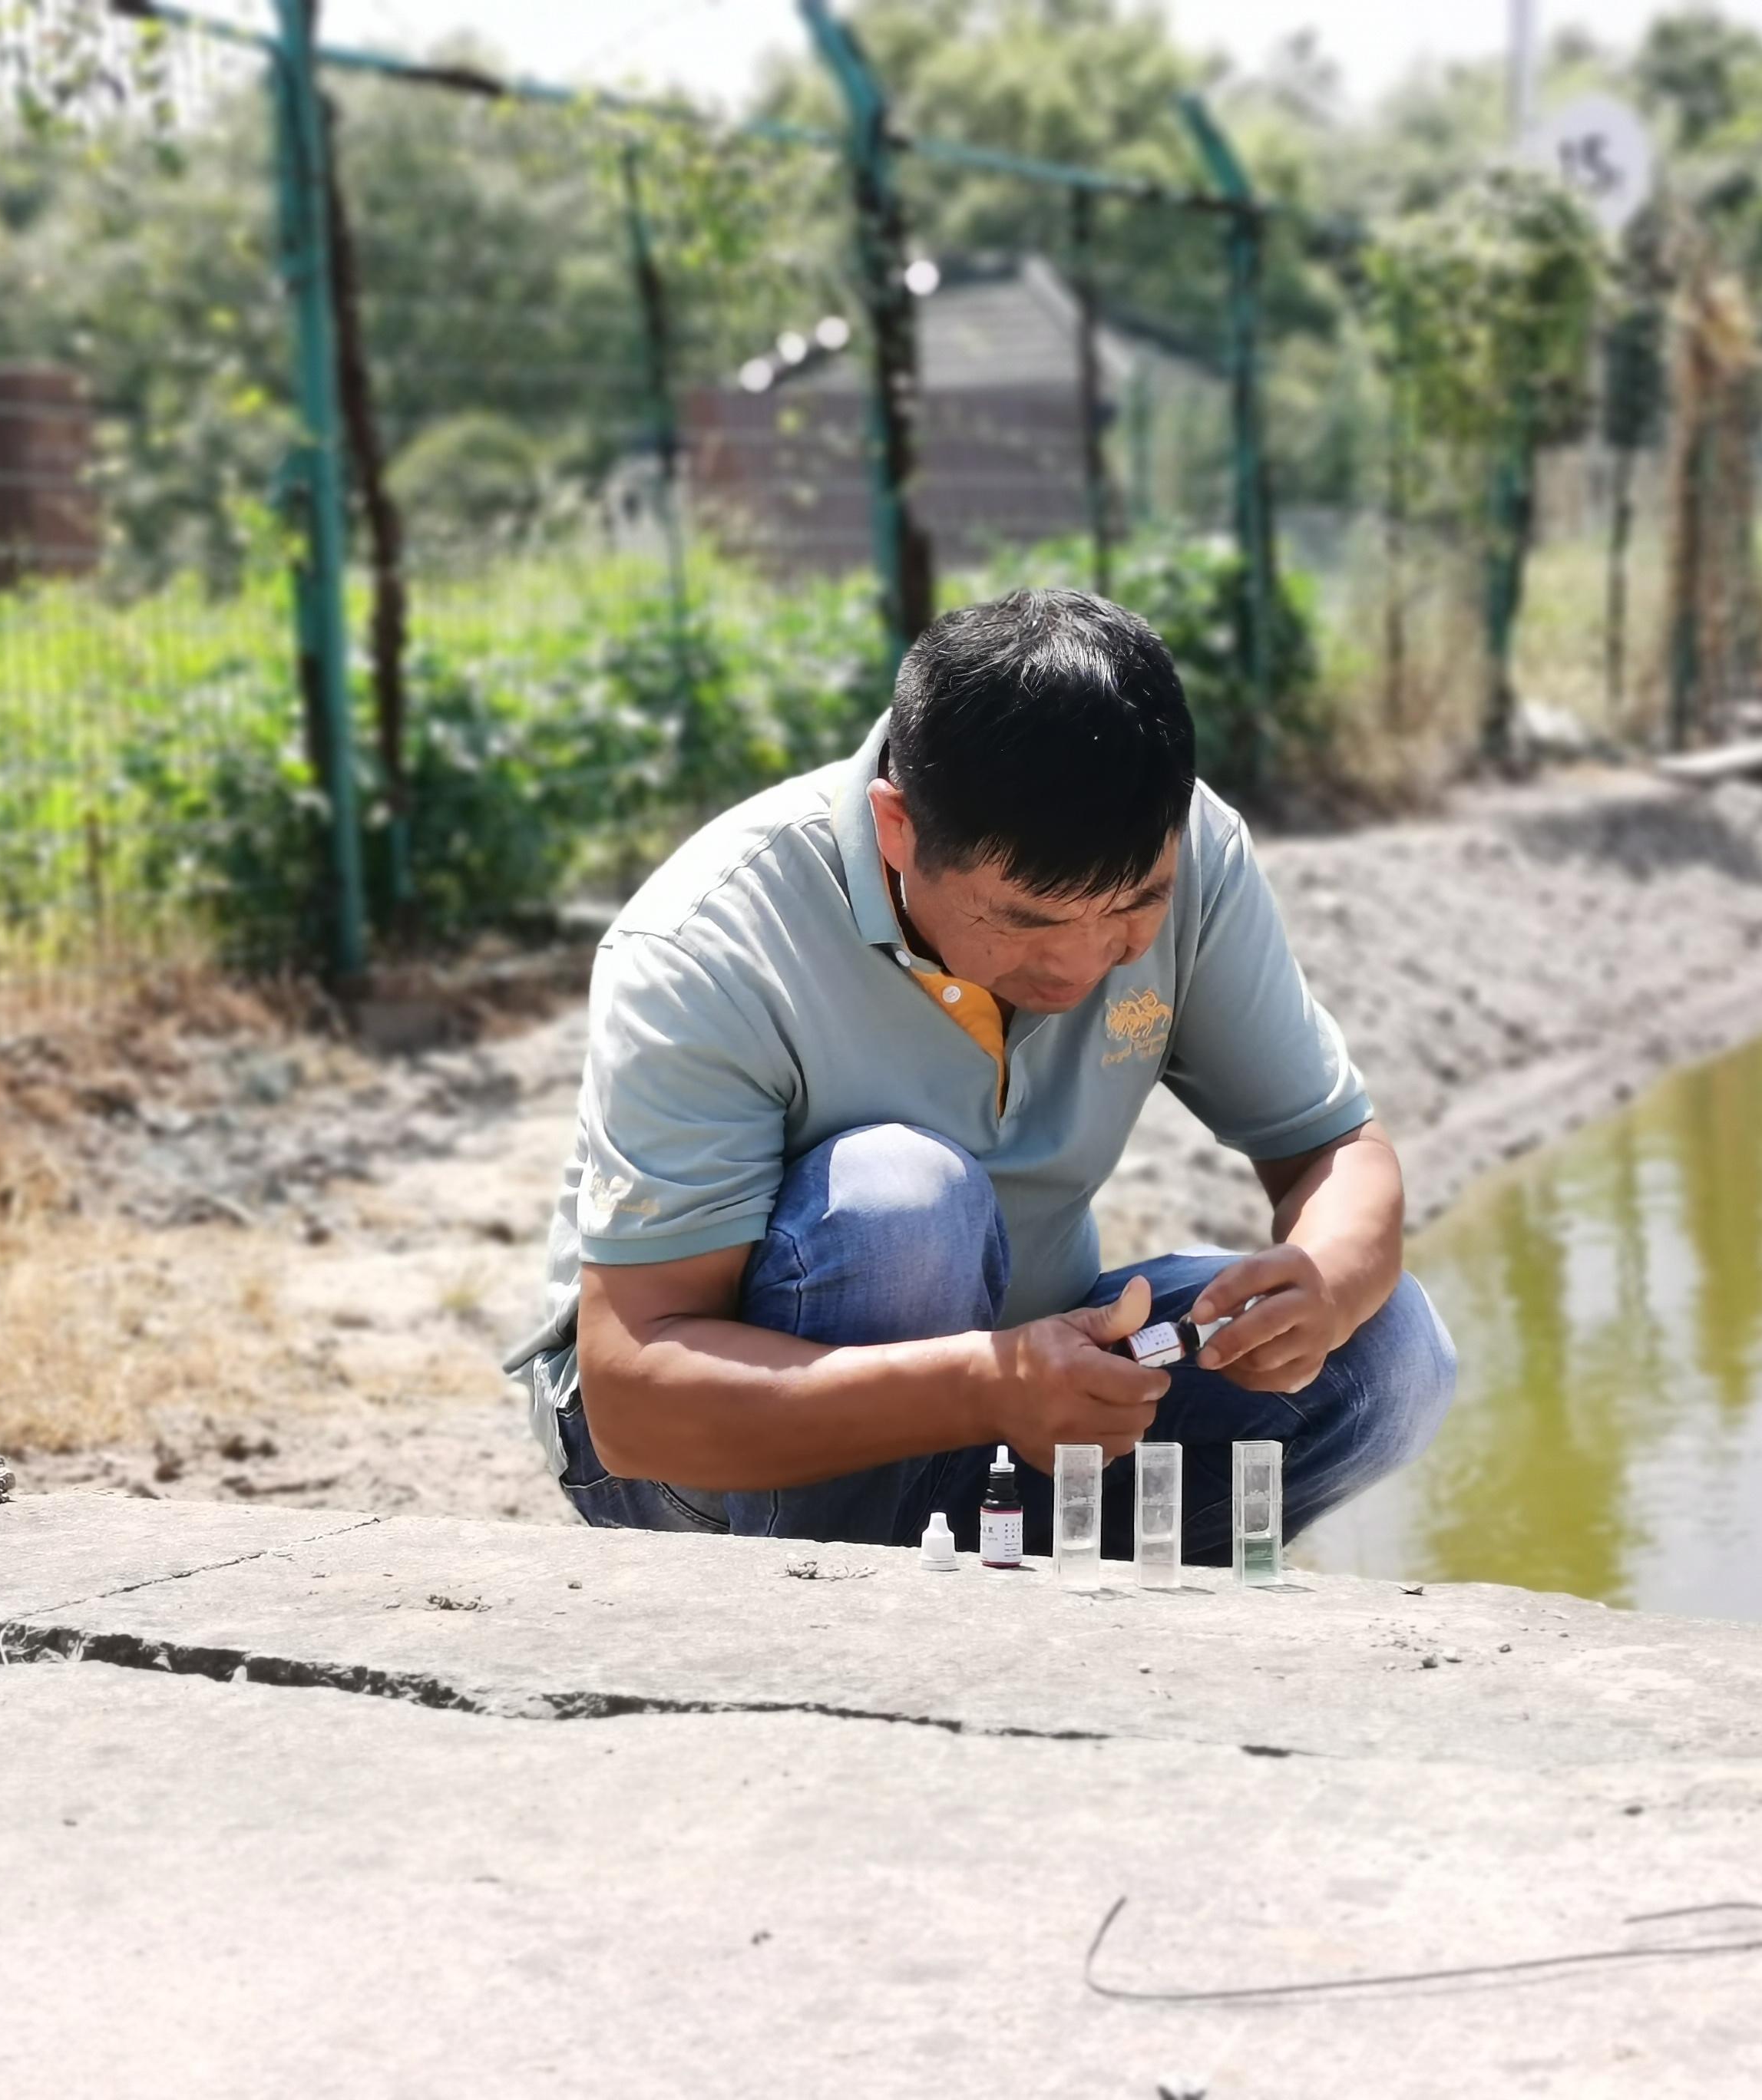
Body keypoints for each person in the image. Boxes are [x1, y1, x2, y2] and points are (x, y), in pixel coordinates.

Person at [505, 588, 1455, 1560]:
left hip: (1011, 1400)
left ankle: (1034, 1594)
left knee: (1386, 1350)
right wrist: (982, 1385)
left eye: (1137, 906)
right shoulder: (709, 948)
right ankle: (841, 1632)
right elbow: (635, 1397)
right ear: (896, 830)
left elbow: (1334, 1147)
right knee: (899, 1203)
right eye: (1027, 920)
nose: (1085, 965)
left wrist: (1324, 1287)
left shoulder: (1197, 849)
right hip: (711, 1462)